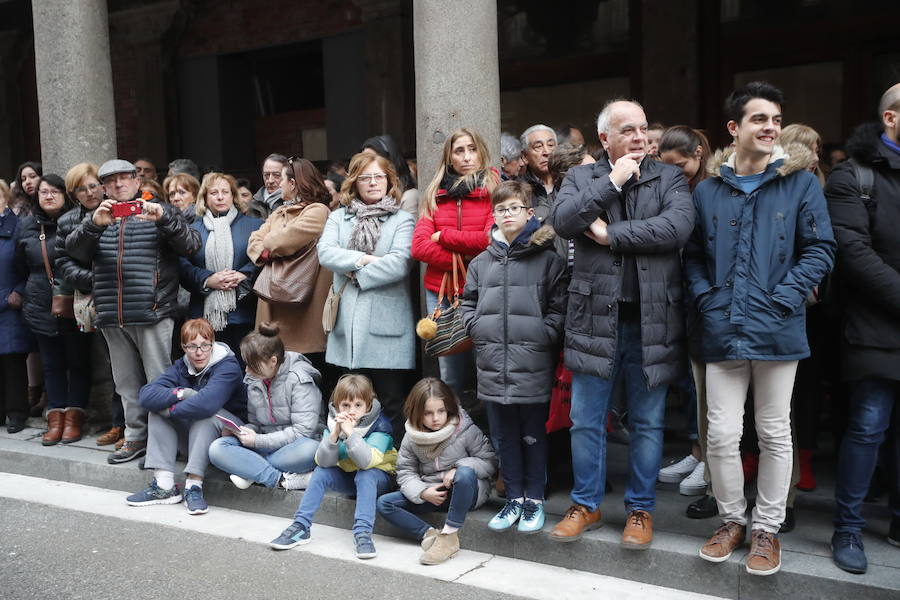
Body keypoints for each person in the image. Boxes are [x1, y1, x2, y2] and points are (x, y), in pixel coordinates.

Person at [684, 82, 835, 576]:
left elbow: (820, 249)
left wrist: (784, 297)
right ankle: (732, 521)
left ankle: (766, 528)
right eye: (759, 119)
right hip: (723, 327)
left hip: (777, 326)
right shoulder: (708, 190)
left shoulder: (800, 183)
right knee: (723, 435)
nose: (771, 127)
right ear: (735, 129)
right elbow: (694, 258)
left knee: (774, 432)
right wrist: (707, 299)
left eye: (775, 118)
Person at [550, 99, 694, 549]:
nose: (639, 137)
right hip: (593, 317)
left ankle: (640, 510)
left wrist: (611, 235)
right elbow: (563, 219)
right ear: (605, 139)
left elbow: (676, 228)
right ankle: (586, 504)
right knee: (585, 419)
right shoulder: (583, 177)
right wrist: (611, 183)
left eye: (643, 128)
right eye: (627, 130)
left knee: (649, 423)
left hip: (651, 317)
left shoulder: (667, 176)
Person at [66, 159, 201, 464]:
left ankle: (168, 442)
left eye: (124, 179)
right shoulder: (95, 217)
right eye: (110, 181)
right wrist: (93, 226)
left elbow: (191, 246)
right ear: (103, 187)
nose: (118, 185)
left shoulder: (161, 210)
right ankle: (136, 438)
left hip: (153, 311)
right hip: (112, 314)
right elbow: (73, 252)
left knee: (161, 383)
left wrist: (164, 218)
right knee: (126, 385)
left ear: (137, 182)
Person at [460, 180, 567, 534]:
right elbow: (468, 302)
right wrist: (475, 327)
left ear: (530, 212)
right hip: (492, 362)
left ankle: (534, 500)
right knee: (504, 435)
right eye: (501, 209)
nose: (508, 214)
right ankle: (514, 499)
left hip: (532, 361)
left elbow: (559, 308)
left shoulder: (548, 259)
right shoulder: (481, 262)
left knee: (533, 434)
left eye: (515, 208)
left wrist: (544, 334)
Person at [826, 82, 900, 574]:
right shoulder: (853, 176)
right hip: (875, 324)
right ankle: (847, 527)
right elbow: (853, 253)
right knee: (869, 425)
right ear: (891, 118)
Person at [317, 152, 416, 442]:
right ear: (354, 183)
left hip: (387, 323)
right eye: (365, 178)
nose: (373, 183)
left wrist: (355, 271)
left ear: (389, 181)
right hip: (347, 324)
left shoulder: (402, 220)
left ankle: (397, 466)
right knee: (349, 402)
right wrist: (365, 259)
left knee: (392, 400)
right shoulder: (338, 217)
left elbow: (399, 263)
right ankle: (349, 460)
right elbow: (326, 253)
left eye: (379, 177)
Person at [411, 128, 498, 402]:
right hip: (442, 292)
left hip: (485, 290)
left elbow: (490, 240)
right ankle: (452, 427)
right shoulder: (435, 194)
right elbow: (419, 246)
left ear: (481, 151)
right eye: (459, 150)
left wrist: (445, 236)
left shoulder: (495, 189)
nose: (466, 156)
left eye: (472, 149)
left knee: (488, 366)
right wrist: (463, 259)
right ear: (449, 156)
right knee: (449, 372)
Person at [269, 374, 397, 559]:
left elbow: (365, 462)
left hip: (380, 481)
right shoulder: (333, 423)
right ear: (337, 406)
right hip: (350, 478)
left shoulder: (380, 425)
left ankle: (362, 534)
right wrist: (334, 436)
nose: (351, 411)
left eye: (358, 405)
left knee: (365, 474)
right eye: (345, 405)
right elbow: (323, 462)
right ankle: (301, 526)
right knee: (321, 472)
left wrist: (351, 434)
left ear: (369, 405)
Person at [127, 318, 245, 515]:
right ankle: (164, 486)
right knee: (157, 409)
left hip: (228, 439)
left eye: (205, 345)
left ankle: (194, 486)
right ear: (183, 347)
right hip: (196, 441)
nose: (199, 352)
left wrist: (172, 410)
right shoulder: (181, 367)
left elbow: (207, 404)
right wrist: (181, 393)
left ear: (212, 344)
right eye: (192, 346)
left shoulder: (228, 367)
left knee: (205, 414)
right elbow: (146, 395)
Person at [376, 377, 497, 565]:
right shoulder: (412, 436)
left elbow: (489, 461)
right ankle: (431, 535)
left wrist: (459, 467)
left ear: (448, 407)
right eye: (428, 413)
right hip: (434, 492)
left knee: (465, 473)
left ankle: (449, 534)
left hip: (465, 490)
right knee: (385, 503)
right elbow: (405, 471)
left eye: (441, 411)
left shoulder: (464, 428)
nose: (436, 418)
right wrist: (423, 491)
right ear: (417, 413)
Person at [657, 126, 713, 503]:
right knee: (690, 382)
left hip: (705, 294)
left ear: (698, 153)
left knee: (708, 388)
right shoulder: (681, 187)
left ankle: (710, 460)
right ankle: (697, 452)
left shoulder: (712, 188)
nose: (676, 173)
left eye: (681, 166)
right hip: (677, 294)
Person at [15, 174, 93, 445]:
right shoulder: (26, 226)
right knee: (51, 365)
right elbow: (19, 264)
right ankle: (55, 417)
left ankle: (74, 417)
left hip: (75, 299)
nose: (48, 196)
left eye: (54, 192)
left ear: (65, 195)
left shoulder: (77, 221)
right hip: (39, 302)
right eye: (43, 192)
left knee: (79, 361)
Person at [208, 323, 322, 490]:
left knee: (312, 450)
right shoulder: (254, 379)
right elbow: (256, 423)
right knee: (217, 449)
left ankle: (251, 470)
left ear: (273, 361)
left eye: (252, 365)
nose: (247, 370)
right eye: (246, 364)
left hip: (293, 448)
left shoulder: (299, 379)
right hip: (264, 446)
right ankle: (279, 479)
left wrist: (258, 441)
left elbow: (303, 431)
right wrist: (242, 432)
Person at [179, 172, 262, 364]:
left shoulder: (254, 225)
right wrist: (208, 279)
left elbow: (262, 260)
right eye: (213, 192)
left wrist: (243, 275)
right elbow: (182, 266)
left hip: (244, 309)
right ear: (204, 198)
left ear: (233, 196)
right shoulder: (192, 229)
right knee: (211, 370)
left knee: (246, 367)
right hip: (204, 315)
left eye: (225, 192)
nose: (219, 196)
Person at [0, 179, 32, 433]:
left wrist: (18, 292)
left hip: (11, 302)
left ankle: (16, 413)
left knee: (13, 359)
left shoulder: (19, 227)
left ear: (5, 198)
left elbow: (30, 264)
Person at [360, 135, 419, 215]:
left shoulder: (408, 196)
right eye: (362, 158)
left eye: (372, 158)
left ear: (389, 162)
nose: (366, 163)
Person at [519, 124, 558, 222]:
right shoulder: (517, 190)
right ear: (524, 157)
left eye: (551, 145)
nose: (547, 152)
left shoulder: (570, 182)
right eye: (538, 146)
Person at [247, 153, 288, 219]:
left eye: (276, 175)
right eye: (266, 175)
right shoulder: (254, 203)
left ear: (287, 176)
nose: (270, 181)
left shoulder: (293, 203)